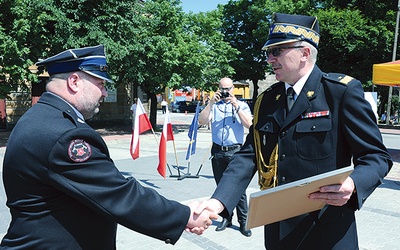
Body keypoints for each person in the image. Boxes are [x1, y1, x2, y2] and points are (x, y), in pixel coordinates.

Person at [196, 13, 392, 249]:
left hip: (328, 230)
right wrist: (218, 202)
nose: (270, 59)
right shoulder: (268, 100)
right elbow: (248, 156)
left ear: (305, 53)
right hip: (279, 231)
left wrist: (353, 185)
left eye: (277, 51)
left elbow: (376, 157)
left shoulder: (340, 93)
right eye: (268, 52)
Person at [1, 45, 217, 249]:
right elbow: (117, 193)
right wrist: (184, 215)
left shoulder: (42, 116)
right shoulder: (64, 134)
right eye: (101, 84)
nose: (104, 93)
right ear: (74, 81)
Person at [198, 77, 253, 237]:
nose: (225, 92)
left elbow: (250, 125)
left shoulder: (241, 105)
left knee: (239, 189)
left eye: (228, 89)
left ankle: (244, 222)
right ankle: (226, 219)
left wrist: (236, 106)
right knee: (222, 187)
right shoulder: (214, 106)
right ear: (218, 88)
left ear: (233, 89)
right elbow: (201, 121)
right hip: (217, 151)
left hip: (235, 151)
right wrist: (210, 103)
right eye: (222, 89)